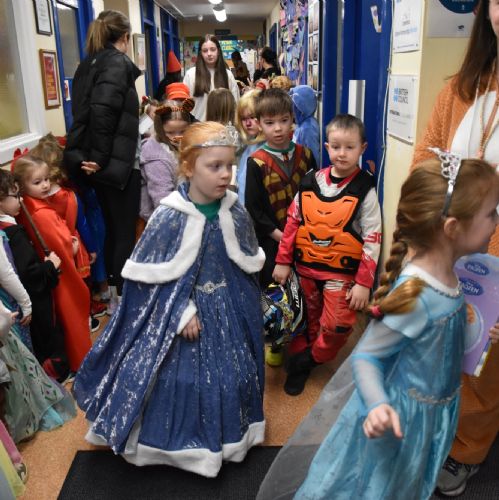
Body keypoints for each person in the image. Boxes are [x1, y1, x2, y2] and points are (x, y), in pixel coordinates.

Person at [258, 153, 499, 500]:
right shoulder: (419, 295)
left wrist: (485, 335)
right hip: (399, 418)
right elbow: (367, 357)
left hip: (431, 412)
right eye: (491, 213)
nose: (496, 221)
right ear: (452, 228)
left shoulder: (454, 272)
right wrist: (377, 405)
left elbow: (442, 340)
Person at [73, 122, 266, 478]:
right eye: (215, 166)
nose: (225, 174)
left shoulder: (235, 211)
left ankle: (228, 440)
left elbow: (245, 267)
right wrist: (179, 311)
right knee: (183, 383)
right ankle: (177, 447)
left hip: (227, 312)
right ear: (188, 167)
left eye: (229, 165)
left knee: (233, 376)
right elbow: (147, 281)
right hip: (183, 317)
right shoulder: (168, 216)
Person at [412, 2, 499, 495]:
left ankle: (466, 448)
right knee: (445, 345)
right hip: (448, 246)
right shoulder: (462, 88)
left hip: (495, 255)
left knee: (485, 358)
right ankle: (436, 430)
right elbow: (424, 160)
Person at [273, 114, 382, 395]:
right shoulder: (311, 181)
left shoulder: (365, 189)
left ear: (362, 148)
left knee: (336, 326)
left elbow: (373, 238)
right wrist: (282, 260)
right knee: (306, 322)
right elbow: (292, 223)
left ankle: (309, 360)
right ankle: (302, 362)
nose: (342, 153)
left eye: (349, 147)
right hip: (306, 270)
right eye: (335, 147)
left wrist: (364, 283)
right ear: (326, 147)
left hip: (340, 275)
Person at [63, 9, 141, 302]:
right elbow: (103, 113)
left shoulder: (87, 64)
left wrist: (95, 158)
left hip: (98, 162)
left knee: (111, 229)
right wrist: (100, 158)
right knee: (124, 232)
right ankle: (124, 298)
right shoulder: (117, 63)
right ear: (125, 37)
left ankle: (112, 294)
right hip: (115, 163)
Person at [13, 155, 91, 373]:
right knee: (70, 315)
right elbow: (59, 245)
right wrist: (71, 247)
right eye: (37, 182)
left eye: (46, 179)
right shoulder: (41, 214)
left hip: (50, 274)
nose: (46, 185)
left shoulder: (27, 205)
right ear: (21, 186)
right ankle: (80, 361)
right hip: (61, 276)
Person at [0, 232, 76, 443]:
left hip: (5, 305)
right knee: (17, 366)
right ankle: (25, 417)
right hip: (8, 305)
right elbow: (6, 273)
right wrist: (26, 303)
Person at [0, 170, 69, 382]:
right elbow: (28, 274)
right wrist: (50, 265)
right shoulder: (13, 234)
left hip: (19, 298)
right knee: (47, 336)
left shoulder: (8, 227)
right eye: (15, 196)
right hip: (34, 301)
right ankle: (56, 374)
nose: (20, 200)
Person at [245, 88, 317, 287]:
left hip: (306, 240)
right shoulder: (256, 162)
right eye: (269, 123)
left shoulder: (306, 155)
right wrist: (283, 237)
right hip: (271, 244)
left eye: (284, 120)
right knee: (276, 295)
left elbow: (315, 197)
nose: (278, 128)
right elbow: (255, 210)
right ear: (259, 123)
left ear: (292, 118)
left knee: (307, 292)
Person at [139, 100, 193, 221]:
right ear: (160, 129)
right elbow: (163, 202)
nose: (176, 137)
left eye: (183, 131)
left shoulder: (184, 146)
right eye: (170, 132)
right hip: (163, 220)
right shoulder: (155, 157)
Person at [183, 34, 240, 121]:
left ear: (218, 51)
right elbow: (185, 106)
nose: (209, 54)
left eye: (213, 49)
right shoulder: (190, 75)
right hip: (199, 126)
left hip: (222, 127)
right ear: (200, 53)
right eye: (205, 51)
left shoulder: (227, 75)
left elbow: (235, 105)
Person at [234, 89, 264, 204]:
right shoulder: (251, 143)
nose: (248, 123)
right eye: (244, 119)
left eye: (252, 117)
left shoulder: (267, 149)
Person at [290, 85, 321, 166]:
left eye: (295, 107)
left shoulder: (308, 128)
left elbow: (314, 156)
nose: (292, 111)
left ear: (302, 107)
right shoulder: (302, 124)